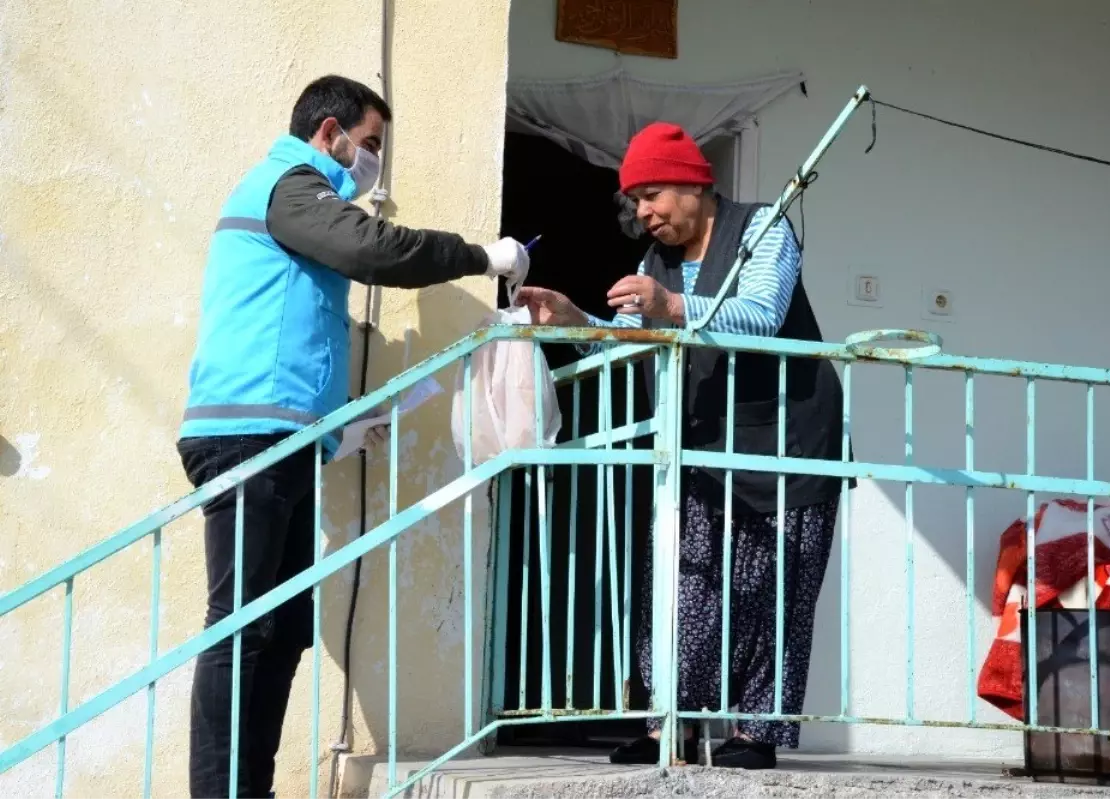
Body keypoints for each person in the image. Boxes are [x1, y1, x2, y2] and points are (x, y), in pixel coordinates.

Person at [177, 74, 528, 798]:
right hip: (249, 441)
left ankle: (249, 788)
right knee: (242, 627)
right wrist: (481, 257)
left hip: (282, 441)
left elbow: (288, 330)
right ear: (329, 132)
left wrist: (333, 436)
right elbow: (376, 251)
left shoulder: (298, 197)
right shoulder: (291, 185)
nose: (372, 162)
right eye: (369, 144)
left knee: (283, 627)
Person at [516, 122, 851, 770]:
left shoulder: (762, 229)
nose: (643, 212)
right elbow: (635, 332)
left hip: (791, 437)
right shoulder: (655, 263)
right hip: (706, 438)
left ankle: (754, 735)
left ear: (696, 184)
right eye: (635, 199)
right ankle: (666, 721)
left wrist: (671, 304)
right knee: (682, 581)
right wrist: (577, 321)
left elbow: (761, 315)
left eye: (653, 194)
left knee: (777, 591)